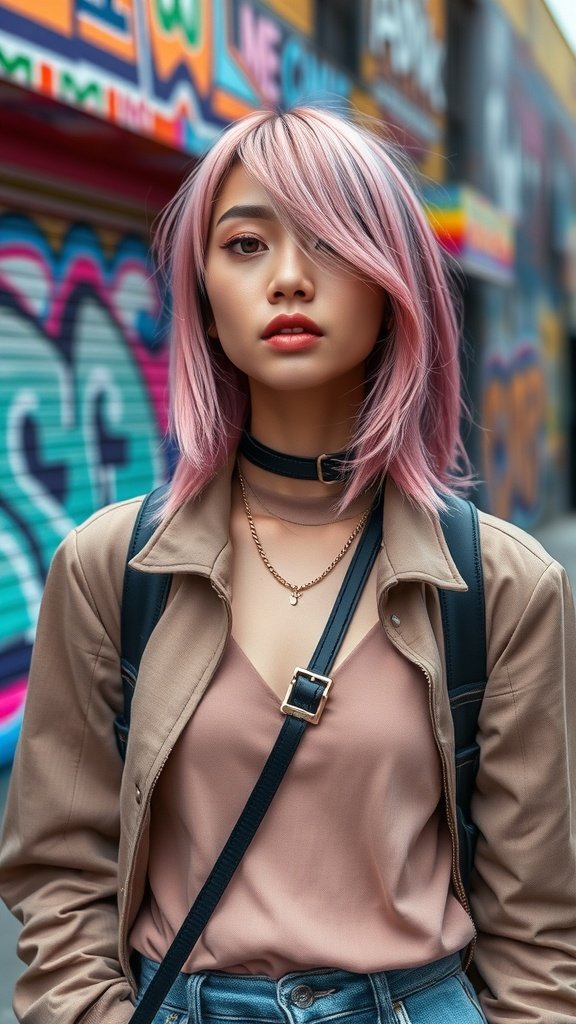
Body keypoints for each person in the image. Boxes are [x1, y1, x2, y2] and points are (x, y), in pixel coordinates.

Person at [0, 105, 575, 1024]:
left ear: (395, 286)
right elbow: (58, 874)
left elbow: (542, 935)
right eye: (245, 245)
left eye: (331, 243)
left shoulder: (502, 587)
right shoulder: (112, 565)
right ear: (203, 293)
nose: (290, 279)